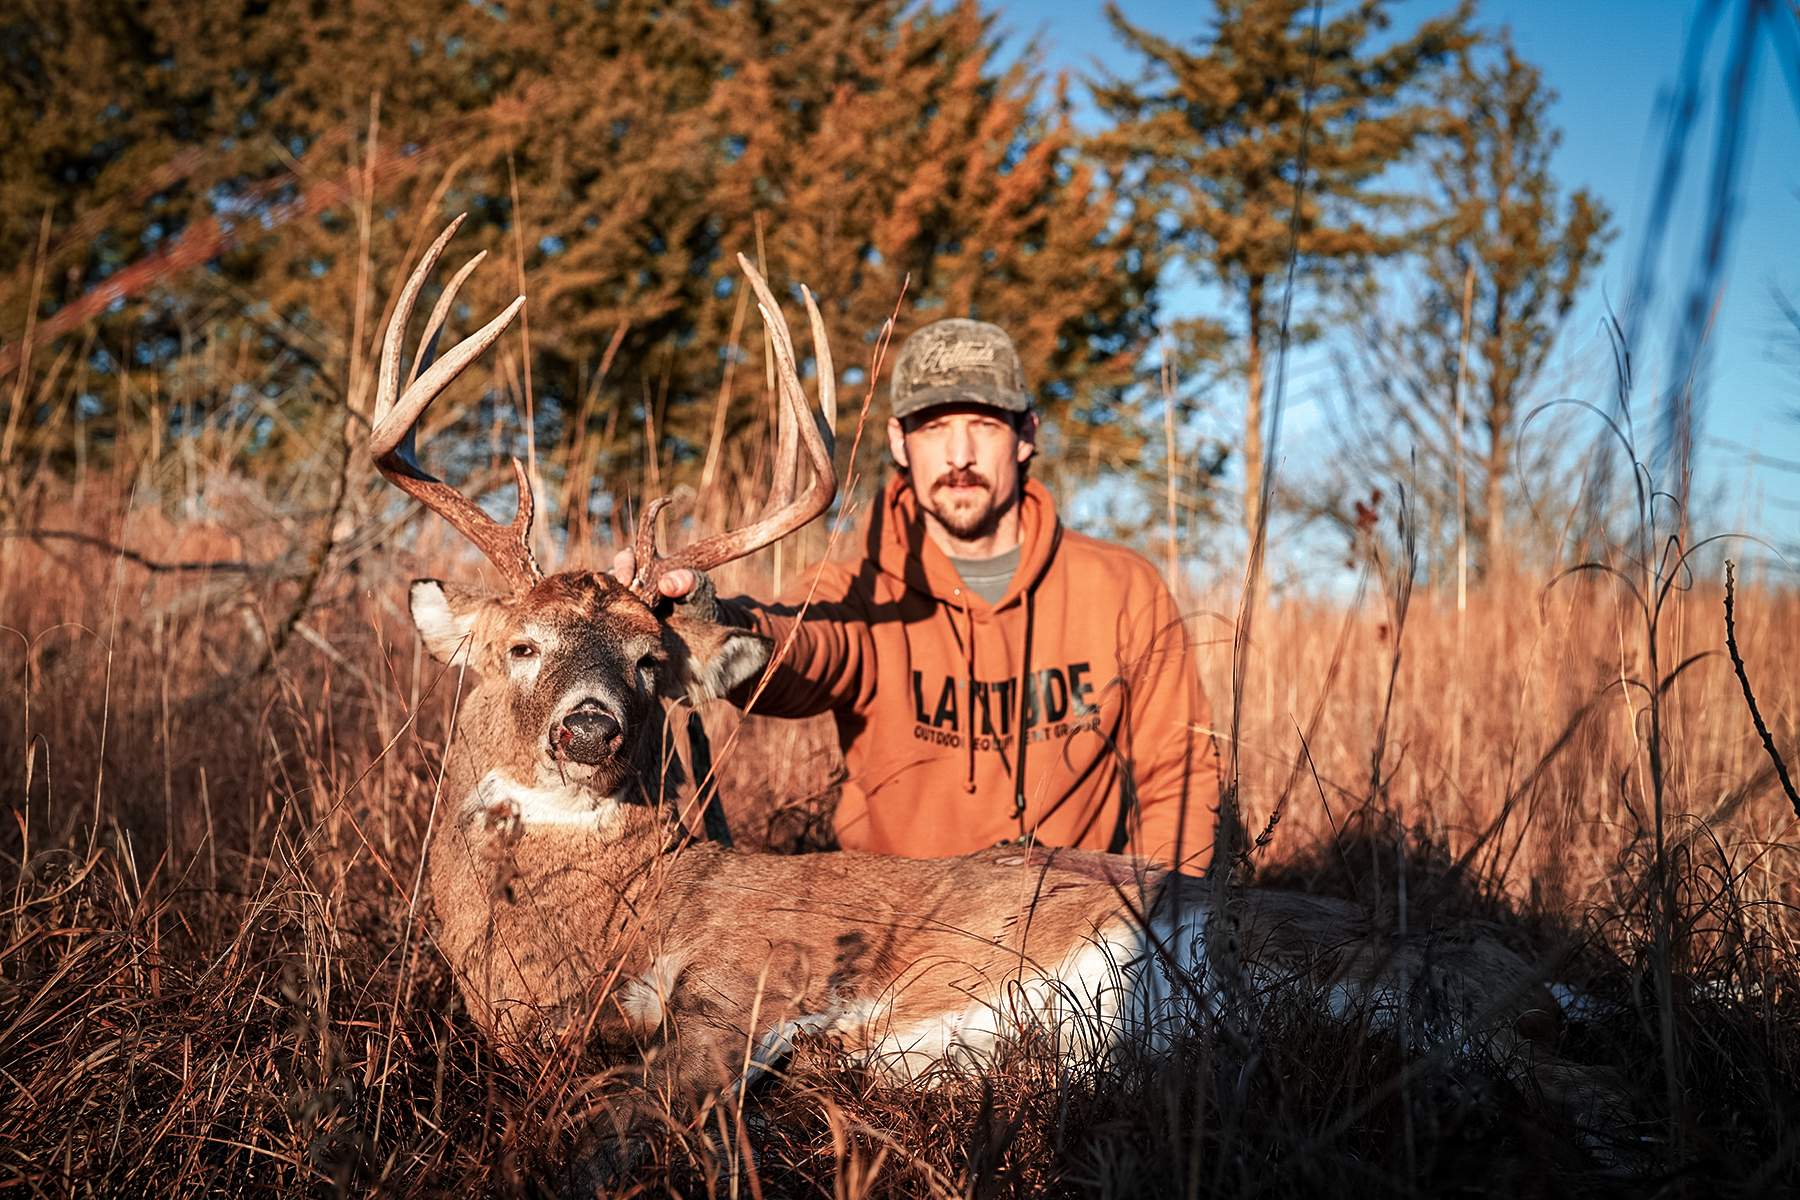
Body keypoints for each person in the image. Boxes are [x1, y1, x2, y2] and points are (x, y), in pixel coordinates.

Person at [620, 318, 1221, 870]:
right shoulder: (862, 588)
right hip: (901, 938)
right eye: (935, 429)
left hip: (1076, 939)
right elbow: (797, 644)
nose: (960, 457)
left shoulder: (1120, 588)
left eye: (984, 426)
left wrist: (1163, 929)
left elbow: (1182, 775)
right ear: (900, 441)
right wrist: (706, 613)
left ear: (1025, 435)